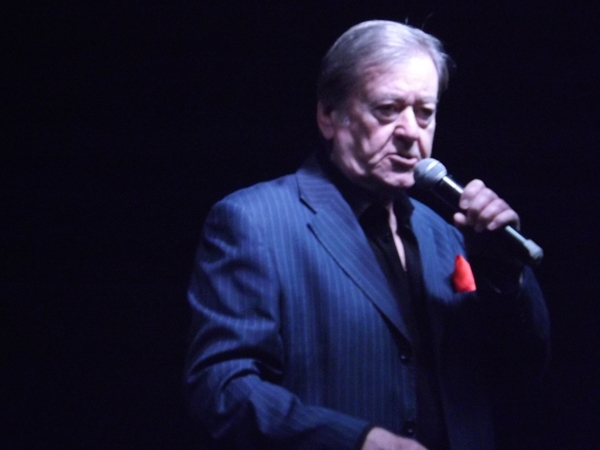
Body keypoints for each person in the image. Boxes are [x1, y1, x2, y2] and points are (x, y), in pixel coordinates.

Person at [184, 20, 550, 450]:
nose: (411, 132)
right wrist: (356, 442)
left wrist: (502, 276)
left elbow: (520, 374)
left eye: (425, 113)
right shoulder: (254, 221)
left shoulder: (449, 235)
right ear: (329, 116)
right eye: (387, 109)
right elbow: (221, 387)